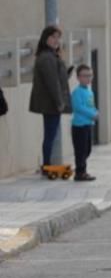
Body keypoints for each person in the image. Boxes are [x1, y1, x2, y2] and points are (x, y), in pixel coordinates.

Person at [28, 25, 71, 172]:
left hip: (50, 103)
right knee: (50, 136)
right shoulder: (47, 57)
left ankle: (47, 165)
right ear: (45, 38)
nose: (56, 40)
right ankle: (47, 165)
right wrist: (59, 102)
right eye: (53, 37)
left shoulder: (51, 55)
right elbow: (52, 82)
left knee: (50, 135)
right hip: (51, 104)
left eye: (58, 37)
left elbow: (57, 78)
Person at [70, 64, 99, 181]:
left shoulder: (90, 92)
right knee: (80, 150)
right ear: (78, 77)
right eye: (85, 76)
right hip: (79, 126)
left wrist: (96, 112)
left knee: (87, 149)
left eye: (90, 75)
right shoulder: (77, 92)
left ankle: (82, 169)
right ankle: (80, 172)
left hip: (88, 125)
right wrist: (92, 114)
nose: (88, 78)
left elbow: (91, 106)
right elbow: (78, 107)